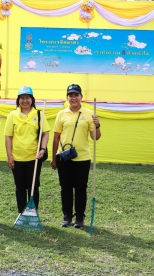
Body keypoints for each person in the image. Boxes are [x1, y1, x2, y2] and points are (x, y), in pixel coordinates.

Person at [51, 84, 101, 228]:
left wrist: (97, 125)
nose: (73, 98)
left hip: (82, 158)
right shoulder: (61, 114)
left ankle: (80, 218)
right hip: (63, 157)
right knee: (65, 187)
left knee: (80, 188)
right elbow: (56, 137)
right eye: (71, 95)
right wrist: (54, 158)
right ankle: (67, 216)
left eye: (76, 95)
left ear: (81, 97)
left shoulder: (90, 114)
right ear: (67, 97)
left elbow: (95, 137)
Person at [5, 86, 49, 213]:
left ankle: (32, 212)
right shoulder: (12, 115)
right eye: (22, 98)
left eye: (27, 98)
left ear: (32, 99)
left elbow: (45, 133)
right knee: (20, 187)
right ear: (18, 100)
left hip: (34, 158)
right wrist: (9, 156)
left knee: (33, 187)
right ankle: (21, 212)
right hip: (17, 157)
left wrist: (43, 149)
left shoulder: (39, 114)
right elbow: (8, 136)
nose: (25, 101)